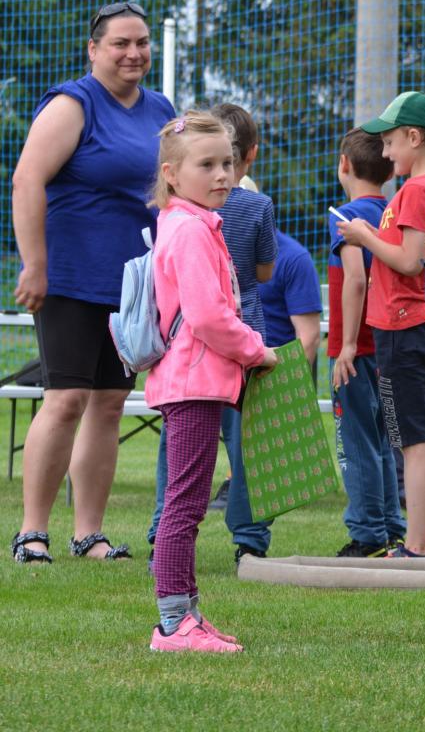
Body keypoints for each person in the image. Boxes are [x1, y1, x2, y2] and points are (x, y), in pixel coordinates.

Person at [10, 1, 174, 563]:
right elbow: (27, 180)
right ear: (94, 50)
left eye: (142, 42)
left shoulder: (161, 109)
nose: (134, 53)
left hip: (132, 287)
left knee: (109, 405)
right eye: (120, 43)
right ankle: (32, 533)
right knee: (66, 399)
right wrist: (35, 264)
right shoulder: (72, 104)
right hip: (70, 279)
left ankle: (90, 535)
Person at [145, 111, 278, 652]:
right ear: (172, 174)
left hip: (195, 381)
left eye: (227, 162)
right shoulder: (191, 231)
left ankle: (188, 616)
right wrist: (257, 350)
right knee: (184, 505)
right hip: (194, 383)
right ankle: (173, 624)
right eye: (206, 165)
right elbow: (208, 317)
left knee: (188, 501)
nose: (222, 174)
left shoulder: (191, 223)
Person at [337, 92, 425, 559]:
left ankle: (418, 546)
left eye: (390, 143)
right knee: (408, 437)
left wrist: (364, 236)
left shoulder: (417, 191)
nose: (385, 154)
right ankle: (413, 541)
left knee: (412, 441)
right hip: (408, 326)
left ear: (414, 137)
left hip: (404, 328)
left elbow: (410, 260)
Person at [327, 128, 405, 557]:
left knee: (356, 441)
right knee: (385, 439)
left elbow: (356, 278)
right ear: (390, 170)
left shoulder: (345, 215)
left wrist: (346, 346)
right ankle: (392, 527)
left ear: (344, 164)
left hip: (355, 350)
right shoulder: (393, 213)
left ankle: (367, 533)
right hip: (390, 344)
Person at [259, 227, 323, 361]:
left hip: (275, 366)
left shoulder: (294, 259)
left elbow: (309, 338)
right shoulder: (220, 250)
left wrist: (286, 374)